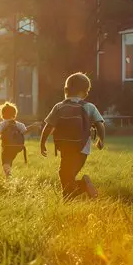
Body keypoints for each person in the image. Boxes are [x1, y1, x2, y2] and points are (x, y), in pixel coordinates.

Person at [39, 72, 105, 200]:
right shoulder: (89, 107)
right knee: (67, 175)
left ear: (65, 90)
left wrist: (42, 143)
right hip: (82, 148)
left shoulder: (59, 107)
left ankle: (82, 186)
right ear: (86, 93)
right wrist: (101, 140)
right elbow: (100, 124)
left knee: (65, 174)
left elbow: (48, 126)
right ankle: (69, 197)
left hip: (65, 147)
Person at [0, 102, 40, 178]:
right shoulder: (19, 124)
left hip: (7, 147)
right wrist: (32, 126)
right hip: (17, 147)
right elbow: (25, 131)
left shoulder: (2, 124)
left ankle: (8, 174)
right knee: (9, 160)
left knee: (5, 162)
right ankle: (8, 176)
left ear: (2, 114)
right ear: (15, 114)